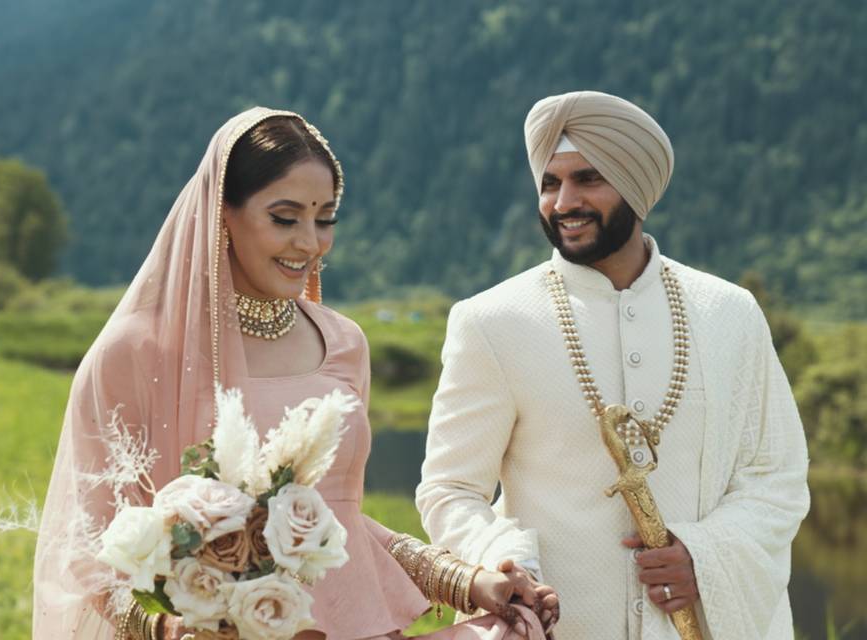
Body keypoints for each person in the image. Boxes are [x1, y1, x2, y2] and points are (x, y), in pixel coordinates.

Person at [33, 107, 558, 639]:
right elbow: (88, 548)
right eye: (285, 218)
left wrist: (471, 582)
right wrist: (173, 630)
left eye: (325, 217)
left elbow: (341, 524)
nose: (310, 242)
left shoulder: (343, 344)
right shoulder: (137, 353)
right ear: (222, 215)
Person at [416, 91, 810, 639]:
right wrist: (502, 557)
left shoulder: (729, 313)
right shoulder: (493, 320)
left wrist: (705, 556)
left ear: (638, 187)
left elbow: (776, 476)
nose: (563, 201)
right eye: (550, 183)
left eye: (588, 179)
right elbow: (450, 489)